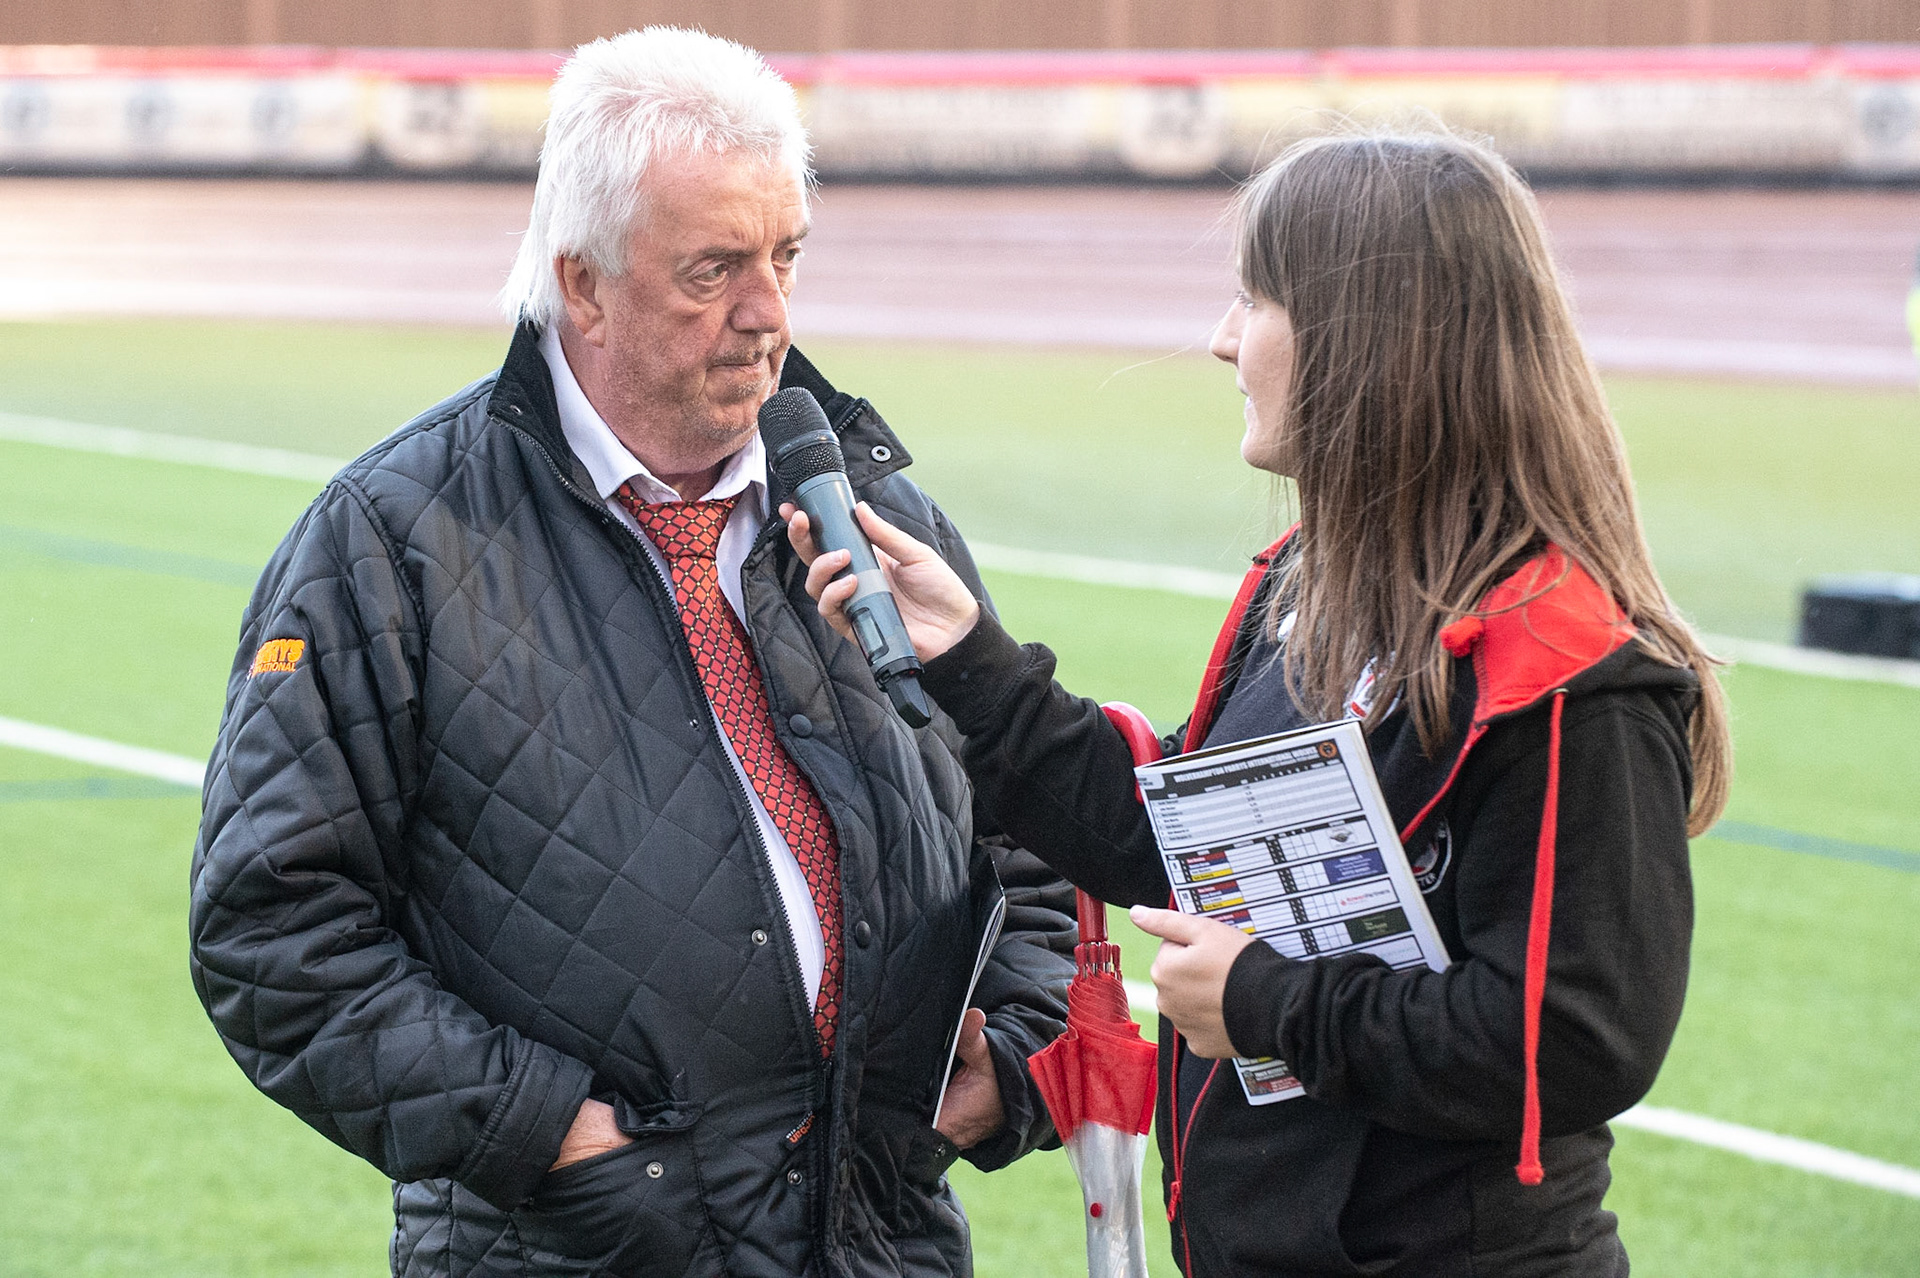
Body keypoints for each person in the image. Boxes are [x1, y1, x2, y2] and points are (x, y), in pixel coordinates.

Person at [188, 27, 1074, 1278]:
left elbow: (1029, 824)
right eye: (713, 270)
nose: (768, 315)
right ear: (583, 283)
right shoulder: (390, 541)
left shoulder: (875, 517)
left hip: (880, 1245)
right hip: (585, 1245)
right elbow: (271, 937)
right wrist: (555, 1136)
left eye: (786, 257)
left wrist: (1017, 1051)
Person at [789, 130, 1731, 1276]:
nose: (1225, 339)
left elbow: (1570, 1045)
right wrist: (969, 660)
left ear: (1371, 340)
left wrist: (1269, 1003)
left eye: (1254, 297)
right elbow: (1179, 840)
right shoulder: (1306, 586)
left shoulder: (1562, 670)